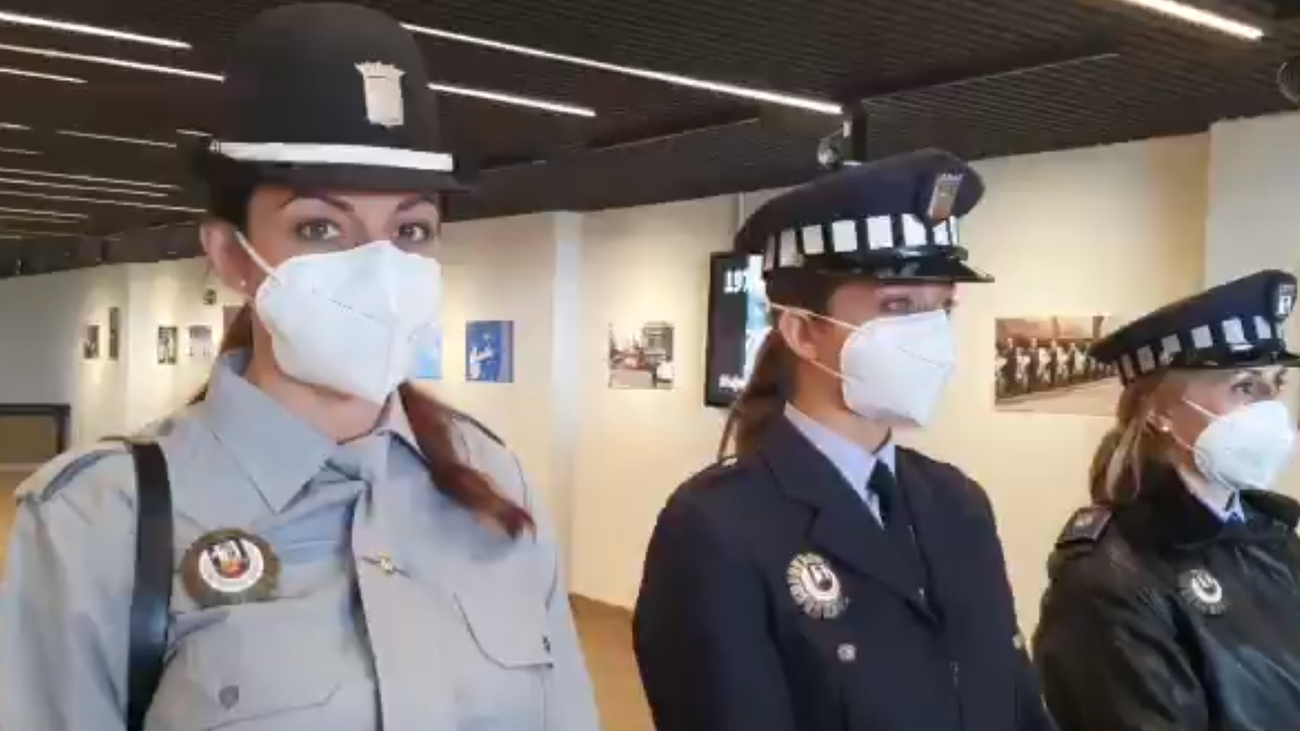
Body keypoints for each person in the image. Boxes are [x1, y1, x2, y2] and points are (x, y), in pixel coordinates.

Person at [0, 5, 600, 731]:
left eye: (409, 230)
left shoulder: (492, 482)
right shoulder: (101, 518)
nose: (378, 268)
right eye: (321, 227)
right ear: (230, 256)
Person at [633, 149, 1055, 731]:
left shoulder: (958, 503)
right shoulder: (717, 528)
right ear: (803, 331)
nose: (929, 334)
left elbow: (1018, 705)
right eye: (897, 306)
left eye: (942, 308)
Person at [1033, 269, 1300, 731]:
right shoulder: (1108, 575)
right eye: (1244, 386)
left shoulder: (1270, 533)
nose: (1269, 408)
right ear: (1159, 410)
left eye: (1275, 384)